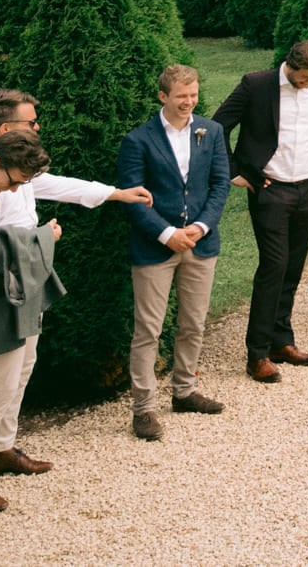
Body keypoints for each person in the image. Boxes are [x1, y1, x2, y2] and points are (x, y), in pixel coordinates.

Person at [0, 106, 149, 513]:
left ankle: (3, 449)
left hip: (27, 279)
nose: (38, 127)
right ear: (5, 130)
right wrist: (42, 237)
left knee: (22, 370)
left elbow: (58, 185)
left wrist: (114, 193)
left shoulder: (17, 168)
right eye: (31, 122)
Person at [212, 38, 308, 382]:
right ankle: (256, 354)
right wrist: (236, 171)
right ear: (291, 66)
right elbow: (217, 126)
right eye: (305, 78)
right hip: (270, 189)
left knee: (294, 267)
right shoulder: (256, 85)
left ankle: (281, 340)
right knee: (274, 266)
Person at [119, 65, 229, 443]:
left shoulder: (211, 132)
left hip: (201, 243)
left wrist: (200, 227)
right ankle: (144, 408)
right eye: (182, 95)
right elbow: (132, 199)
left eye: (194, 94)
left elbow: (219, 186)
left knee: (193, 323)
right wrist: (166, 234)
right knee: (148, 330)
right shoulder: (138, 140)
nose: (189, 102)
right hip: (154, 247)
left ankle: (184, 391)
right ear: (163, 96)